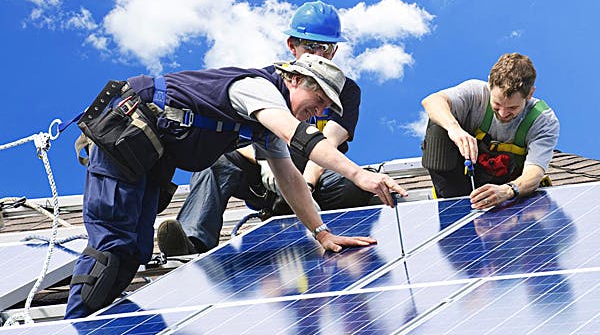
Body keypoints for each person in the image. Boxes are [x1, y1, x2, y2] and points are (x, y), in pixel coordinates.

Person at [65, 52, 407, 318]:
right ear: (296, 80)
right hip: (124, 135)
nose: (316, 113)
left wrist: (321, 233)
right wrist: (360, 175)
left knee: (136, 252)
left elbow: (289, 178)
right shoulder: (257, 89)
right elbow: (297, 135)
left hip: (147, 157)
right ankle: (75, 325)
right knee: (112, 248)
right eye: (317, 103)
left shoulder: (263, 126)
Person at [157, 1, 375, 257]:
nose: (318, 54)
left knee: (357, 183)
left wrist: (307, 183)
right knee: (215, 162)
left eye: (325, 48)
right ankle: (192, 242)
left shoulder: (344, 91)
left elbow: (329, 141)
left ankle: (308, 214)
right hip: (266, 174)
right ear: (292, 46)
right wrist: (265, 162)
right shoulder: (269, 83)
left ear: (334, 51)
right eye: (310, 46)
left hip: (313, 174)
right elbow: (247, 133)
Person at [421, 52, 559, 209]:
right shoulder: (475, 93)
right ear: (489, 85)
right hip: (460, 187)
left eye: (512, 108)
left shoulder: (542, 120)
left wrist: (508, 190)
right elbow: (432, 101)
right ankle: (454, 205)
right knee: (438, 124)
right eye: (497, 104)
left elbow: (534, 171)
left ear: (530, 94)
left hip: (508, 193)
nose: (503, 113)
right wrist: (454, 129)